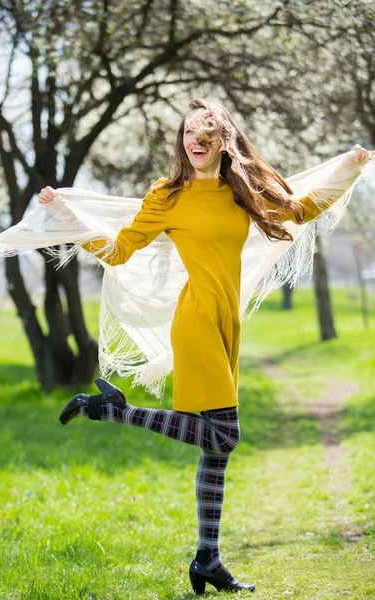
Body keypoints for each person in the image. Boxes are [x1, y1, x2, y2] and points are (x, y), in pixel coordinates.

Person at [38, 98, 373, 594]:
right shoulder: (167, 195)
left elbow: (301, 209)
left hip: (225, 322)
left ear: (223, 141)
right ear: (182, 142)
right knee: (225, 436)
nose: (195, 140)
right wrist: (65, 214)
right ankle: (111, 410)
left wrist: (349, 167)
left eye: (207, 133)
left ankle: (208, 560)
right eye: (189, 133)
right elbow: (121, 249)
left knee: (215, 452)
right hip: (194, 320)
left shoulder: (244, 189)